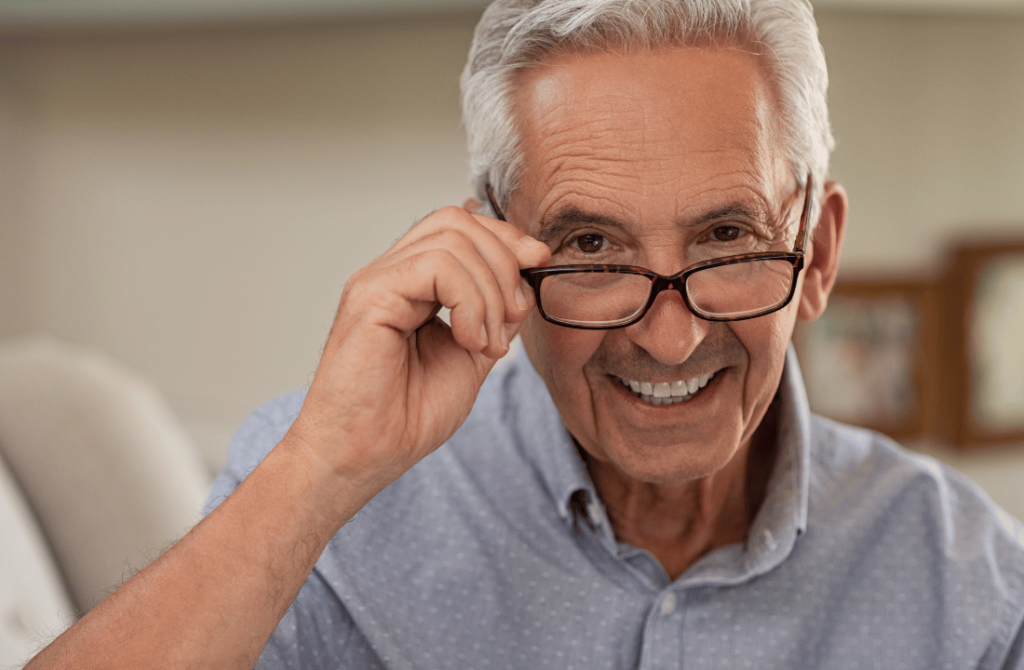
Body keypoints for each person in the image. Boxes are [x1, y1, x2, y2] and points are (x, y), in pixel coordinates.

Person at [26, 0, 1024, 668]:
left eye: (726, 238)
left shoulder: (971, 584)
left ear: (815, 252)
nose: (670, 340)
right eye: (593, 245)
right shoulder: (327, 510)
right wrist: (322, 470)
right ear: (493, 245)